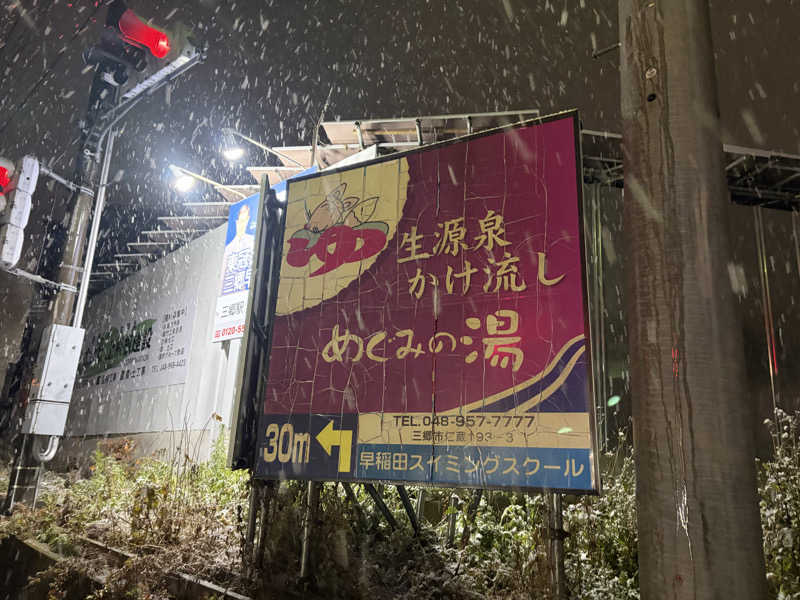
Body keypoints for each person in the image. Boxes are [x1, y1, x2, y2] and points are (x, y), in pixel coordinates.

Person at [221, 202, 255, 295]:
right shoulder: (229, 248)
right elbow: (222, 277)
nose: (242, 224)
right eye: (241, 221)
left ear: (248, 220)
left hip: (246, 293)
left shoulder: (253, 241)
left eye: (245, 220)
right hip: (229, 294)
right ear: (237, 221)